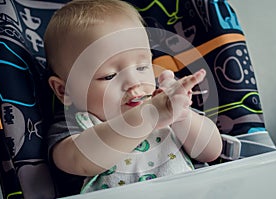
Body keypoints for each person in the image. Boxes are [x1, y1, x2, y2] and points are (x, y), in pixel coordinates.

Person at [44, 0, 222, 196]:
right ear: (64, 91)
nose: (133, 82)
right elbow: (83, 161)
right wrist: (148, 116)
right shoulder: (73, 129)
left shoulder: (166, 107)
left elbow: (211, 152)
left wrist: (182, 116)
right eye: (109, 76)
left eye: (142, 67)